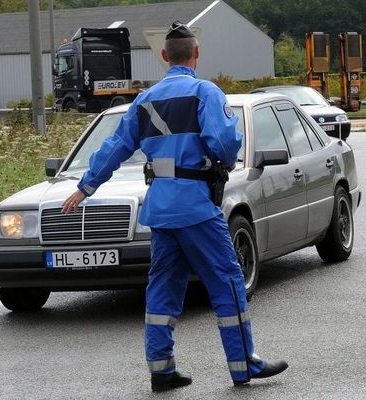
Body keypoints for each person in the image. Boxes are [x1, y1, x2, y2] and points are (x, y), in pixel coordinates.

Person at [62, 21, 288, 392]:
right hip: (196, 207)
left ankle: (162, 370)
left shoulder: (142, 100)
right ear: (196, 55)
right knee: (228, 281)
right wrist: (223, 154)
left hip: (161, 209)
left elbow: (115, 147)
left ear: (164, 57)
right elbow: (225, 144)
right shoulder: (204, 92)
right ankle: (244, 364)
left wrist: (85, 188)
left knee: (163, 288)